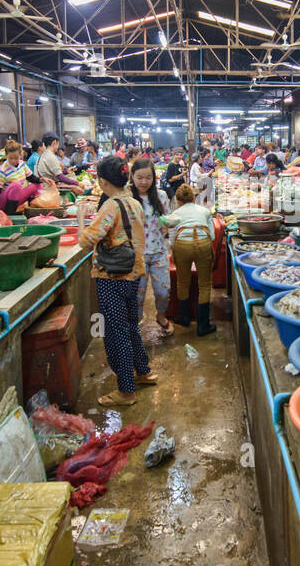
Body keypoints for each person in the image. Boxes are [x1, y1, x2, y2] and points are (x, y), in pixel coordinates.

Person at [77, 155, 155, 407]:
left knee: (115, 332)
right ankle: (143, 372)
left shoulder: (110, 206)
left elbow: (86, 240)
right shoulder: (134, 202)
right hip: (133, 273)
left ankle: (126, 390)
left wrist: (81, 217)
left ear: (102, 181)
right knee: (131, 326)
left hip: (112, 277)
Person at [161, 183, 217, 336]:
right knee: (205, 285)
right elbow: (212, 236)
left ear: (178, 201)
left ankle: (184, 318)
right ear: (193, 198)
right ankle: (203, 325)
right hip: (203, 242)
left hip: (182, 245)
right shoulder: (204, 211)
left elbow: (171, 239)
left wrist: (175, 251)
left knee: (182, 282)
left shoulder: (176, 213)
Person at [129, 158, 174, 337]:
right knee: (137, 296)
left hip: (159, 253)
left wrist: (168, 225)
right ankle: (137, 322)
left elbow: (168, 218)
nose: (144, 182)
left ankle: (160, 316)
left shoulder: (161, 196)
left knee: (164, 291)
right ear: (132, 177)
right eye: (139, 177)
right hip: (135, 255)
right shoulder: (127, 196)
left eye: (148, 177)